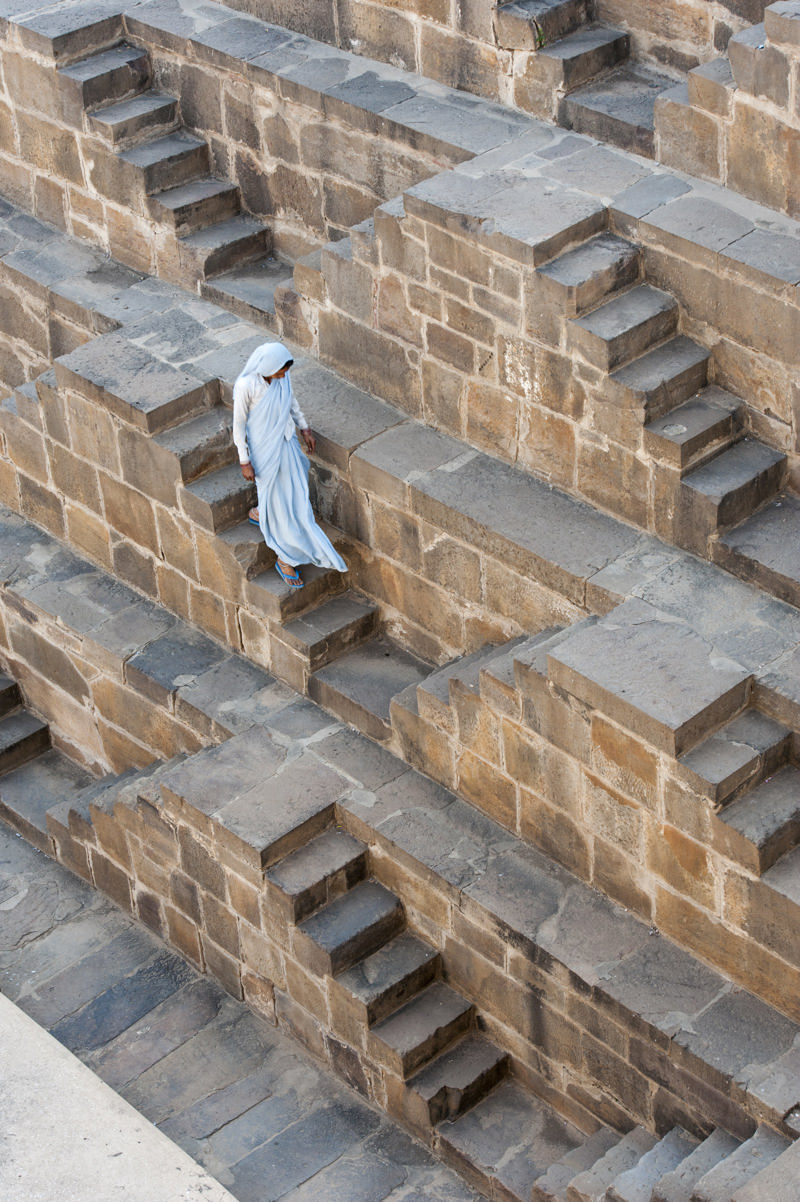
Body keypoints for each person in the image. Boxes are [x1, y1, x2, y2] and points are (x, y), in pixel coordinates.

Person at [232, 341, 346, 589]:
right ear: (269, 367)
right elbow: (239, 426)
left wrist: (304, 428)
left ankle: (262, 512)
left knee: (295, 493)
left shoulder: (282, 378)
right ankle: (285, 559)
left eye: (285, 371)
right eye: (280, 371)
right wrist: (244, 461)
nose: (283, 375)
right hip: (263, 450)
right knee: (278, 498)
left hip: (286, 442)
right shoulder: (246, 385)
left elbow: (291, 402)